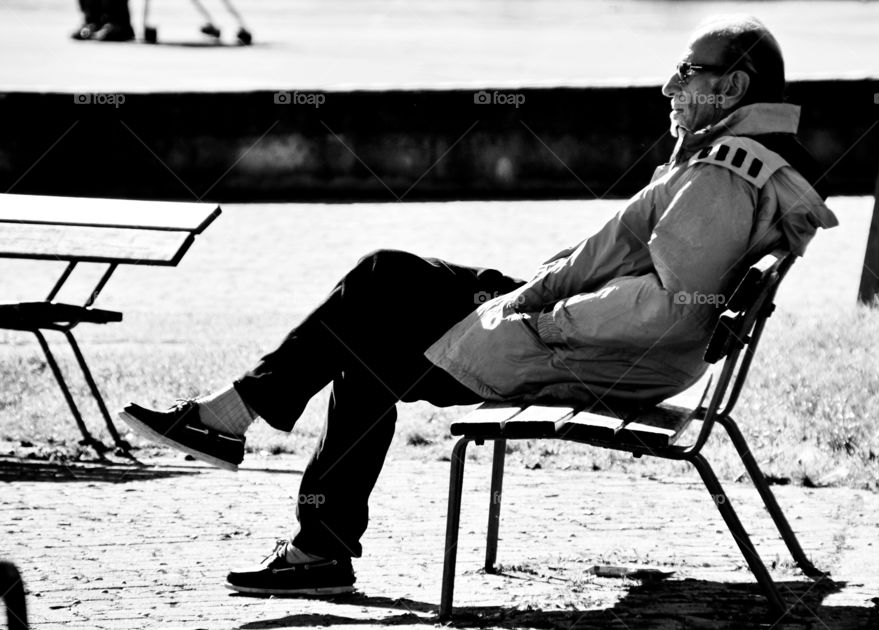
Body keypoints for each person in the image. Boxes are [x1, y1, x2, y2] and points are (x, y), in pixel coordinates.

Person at [120, 15, 838, 597]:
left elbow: (667, 310)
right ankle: (308, 537)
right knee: (364, 336)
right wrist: (543, 295)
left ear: (733, 85)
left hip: (585, 347)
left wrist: (540, 317)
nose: (669, 85)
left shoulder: (721, 177)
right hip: (591, 335)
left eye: (687, 71)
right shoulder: (733, 158)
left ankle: (240, 431)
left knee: (380, 280)